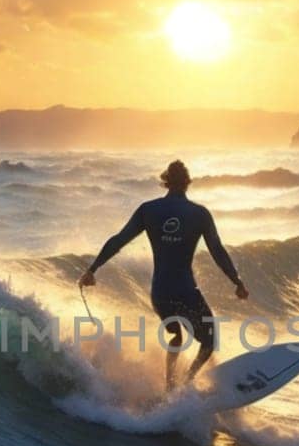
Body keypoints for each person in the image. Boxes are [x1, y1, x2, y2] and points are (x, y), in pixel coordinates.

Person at [80, 159, 248, 389]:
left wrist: (92, 269)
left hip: (160, 293)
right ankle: (186, 383)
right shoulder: (199, 214)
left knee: (176, 336)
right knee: (208, 342)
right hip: (186, 292)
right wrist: (237, 282)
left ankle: (170, 386)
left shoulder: (148, 210)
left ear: (165, 182)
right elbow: (217, 251)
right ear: (187, 183)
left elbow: (119, 240)